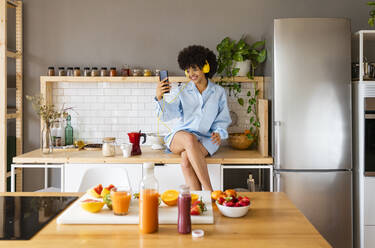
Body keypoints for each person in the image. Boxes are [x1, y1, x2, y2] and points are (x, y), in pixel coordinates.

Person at [154, 45, 231, 191]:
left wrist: (219, 133)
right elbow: (167, 115)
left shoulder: (218, 92)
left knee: (186, 161)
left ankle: (198, 203)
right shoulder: (182, 90)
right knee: (189, 139)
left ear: (206, 67)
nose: (191, 74)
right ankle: (210, 192)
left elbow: (223, 118)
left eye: (195, 69)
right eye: (188, 70)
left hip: (206, 138)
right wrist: (159, 97)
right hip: (180, 137)